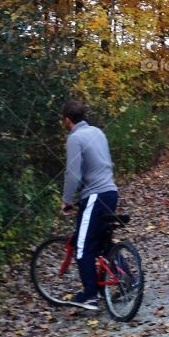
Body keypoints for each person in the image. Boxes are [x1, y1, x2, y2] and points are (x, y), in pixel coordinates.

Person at [61, 99, 118, 311]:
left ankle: (90, 296)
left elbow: (72, 173)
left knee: (82, 247)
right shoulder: (98, 132)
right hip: (111, 192)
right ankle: (128, 281)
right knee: (103, 242)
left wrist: (67, 200)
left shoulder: (75, 138)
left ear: (67, 120)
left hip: (94, 195)